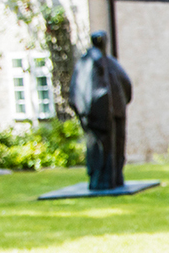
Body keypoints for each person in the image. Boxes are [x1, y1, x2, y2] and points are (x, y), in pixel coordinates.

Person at [70, 31, 131, 191]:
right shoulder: (90, 62)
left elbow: (126, 84)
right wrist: (84, 111)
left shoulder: (108, 63)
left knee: (115, 147)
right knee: (99, 149)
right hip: (97, 115)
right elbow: (78, 91)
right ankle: (101, 180)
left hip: (112, 113)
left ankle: (115, 177)